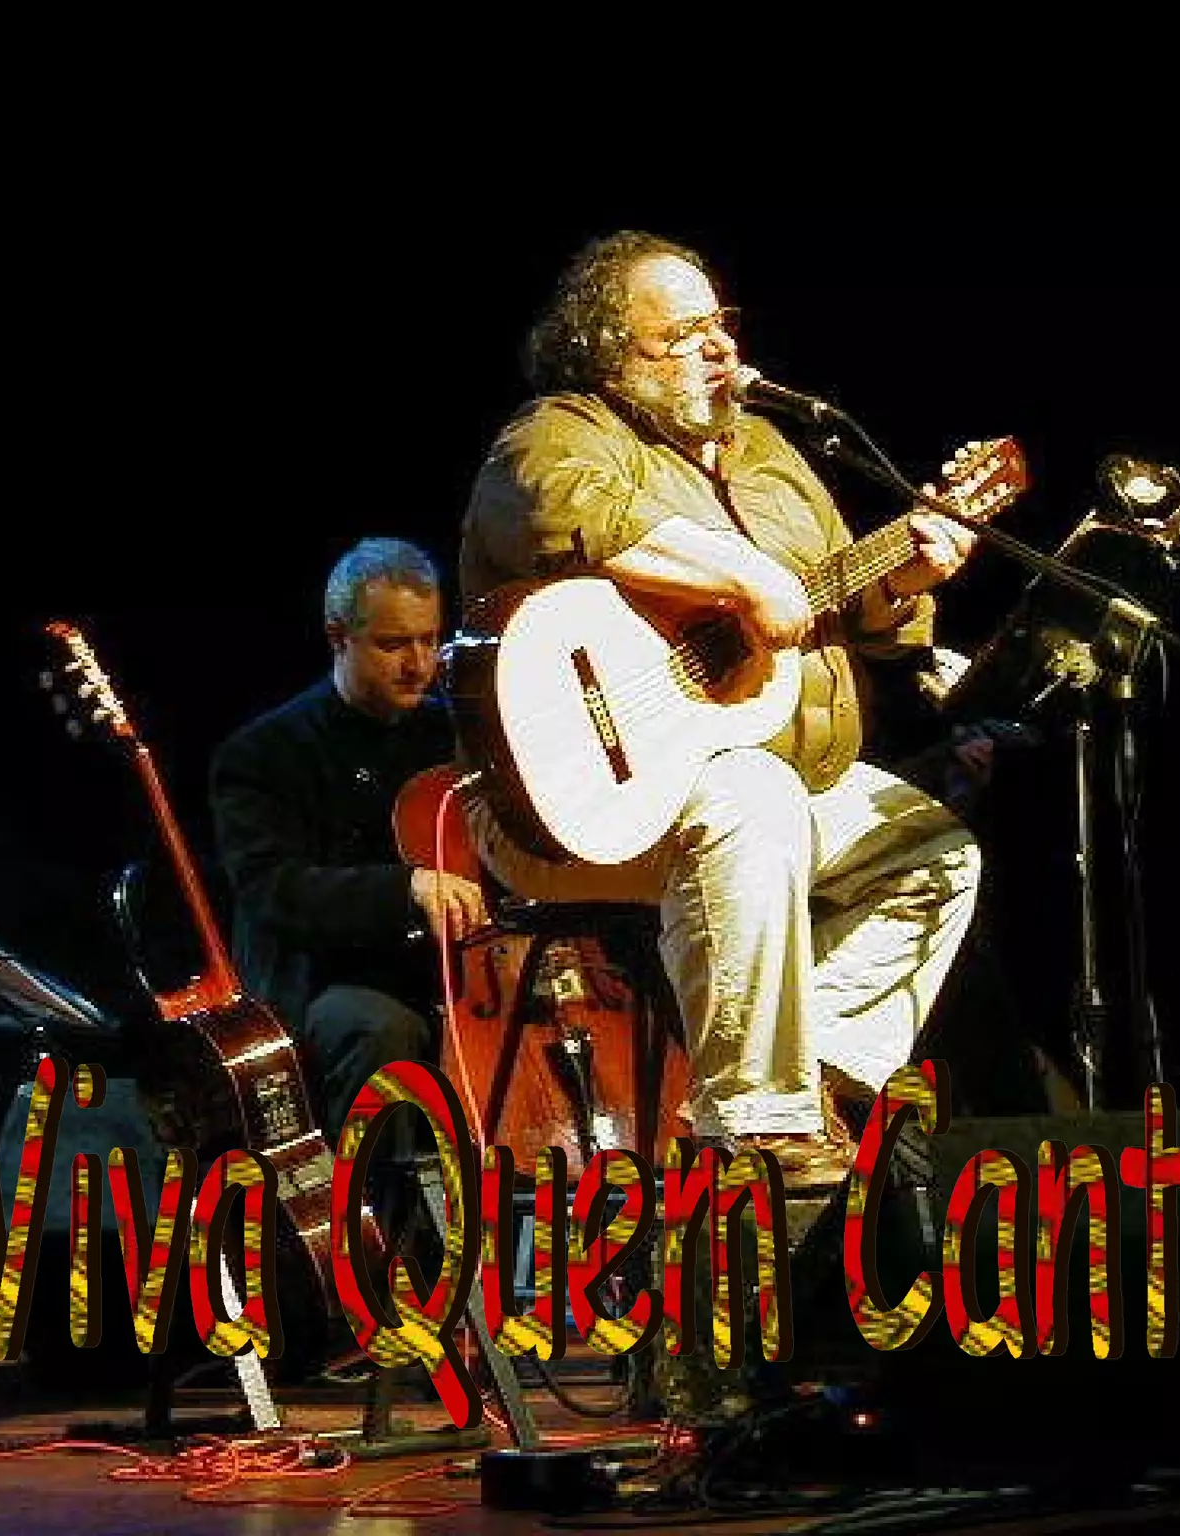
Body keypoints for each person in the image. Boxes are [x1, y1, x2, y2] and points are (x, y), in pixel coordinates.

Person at [457, 230, 983, 1190]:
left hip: (765, 782)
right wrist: (744, 577)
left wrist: (903, 576)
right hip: (567, 803)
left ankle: (816, 1075)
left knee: (930, 850)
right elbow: (564, 511)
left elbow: (842, 604)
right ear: (608, 351)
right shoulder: (558, 433)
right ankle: (757, 1124)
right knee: (750, 795)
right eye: (683, 333)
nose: (720, 347)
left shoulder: (771, 455)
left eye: (722, 324)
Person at [208, 538, 487, 1214]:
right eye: (394, 644)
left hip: (456, 976)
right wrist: (405, 887)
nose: (419, 663)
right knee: (379, 1030)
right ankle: (378, 1236)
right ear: (339, 637)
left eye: (430, 639)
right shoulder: (264, 753)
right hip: (326, 981)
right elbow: (274, 890)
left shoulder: (456, 736)